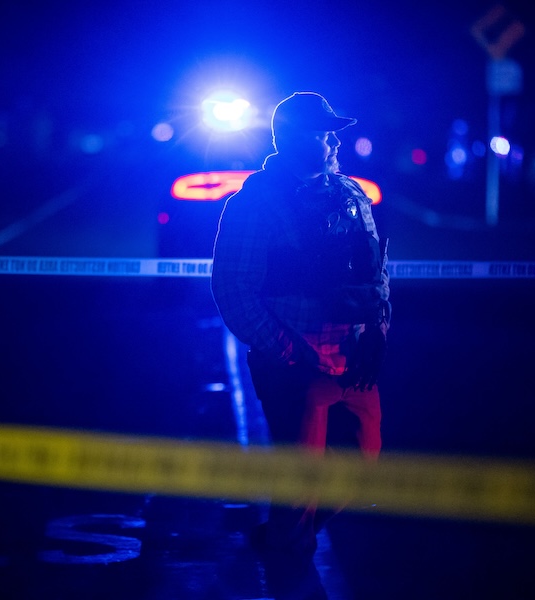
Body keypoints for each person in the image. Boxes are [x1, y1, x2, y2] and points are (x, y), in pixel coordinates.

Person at [210, 91, 391, 564]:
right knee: (302, 483)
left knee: (360, 467)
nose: (334, 141)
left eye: (334, 132)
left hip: (353, 361)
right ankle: (288, 557)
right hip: (295, 366)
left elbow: (375, 273)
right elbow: (233, 290)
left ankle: (284, 537)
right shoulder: (254, 205)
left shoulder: (351, 195)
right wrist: (289, 351)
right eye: (322, 132)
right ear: (291, 139)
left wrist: (377, 332)